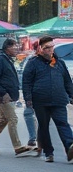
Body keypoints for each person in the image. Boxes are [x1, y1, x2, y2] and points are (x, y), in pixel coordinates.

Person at [20, 35, 73, 163]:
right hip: (40, 101)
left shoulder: (59, 63)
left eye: (51, 47)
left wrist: (71, 95)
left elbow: (67, 81)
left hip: (59, 99)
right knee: (43, 127)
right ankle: (48, 153)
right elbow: (26, 82)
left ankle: (70, 147)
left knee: (63, 124)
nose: (50, 50)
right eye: (47, 47)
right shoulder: (33, 63)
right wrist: (28, 99)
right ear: (40, 49)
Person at [0, 38, 36, 156]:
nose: (17, 49)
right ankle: (17, 146)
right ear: (7, 48)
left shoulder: (7, 59)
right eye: (14, 47)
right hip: (2, 97)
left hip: (9, 95)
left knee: (3, 120)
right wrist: (3, 93)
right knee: (13, 119)